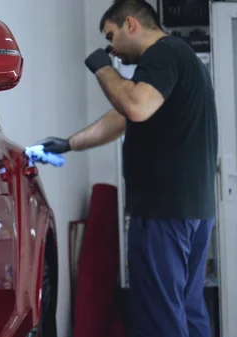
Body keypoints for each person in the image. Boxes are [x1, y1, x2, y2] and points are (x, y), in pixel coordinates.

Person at [35, 1, 218, 336]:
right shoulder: (178, 57)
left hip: (163, 213)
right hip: (193, 211)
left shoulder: (163, 54)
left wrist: (103, 68)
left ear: (130, 24)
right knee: (188, 310)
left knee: (161, 315)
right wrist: (70, 143)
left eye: (111, 36)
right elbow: (123, 117)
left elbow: (133, 106)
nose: (112, 49)